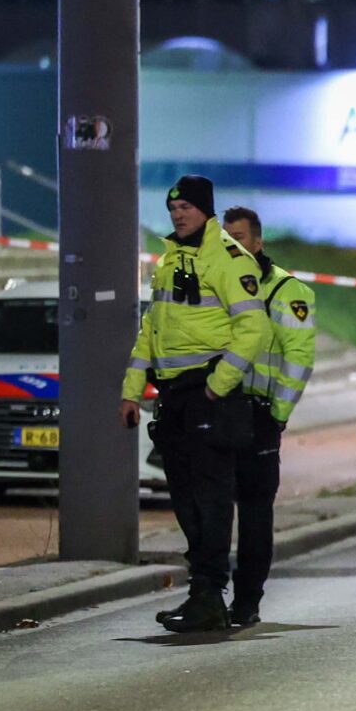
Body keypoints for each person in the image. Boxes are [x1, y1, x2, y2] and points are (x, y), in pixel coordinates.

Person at [120, 175, 270, 633]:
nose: (178, 213)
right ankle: (203, 592)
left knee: (210, 498)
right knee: (185, 499)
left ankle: (209, 593)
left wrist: (217, 385)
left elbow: (255, 329)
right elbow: (151, 330)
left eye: (186, 206)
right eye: (173, 207)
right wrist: (131, 389)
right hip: (175, 397)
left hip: (208, 394)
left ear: (205, 209)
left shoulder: (227, 258)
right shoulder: (170, 260)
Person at [219, 206, 317, 630]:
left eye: (239, 236)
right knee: (213, 509)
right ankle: (209, 595)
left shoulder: (285, 292)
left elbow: (298, 359)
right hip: (219, 409)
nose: (232, 244)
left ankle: (246, 600)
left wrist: (277, 414)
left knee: (255, 514)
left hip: (258, 414)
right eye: (227, 237)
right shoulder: (217, 283)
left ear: (257, 242)